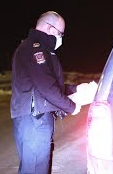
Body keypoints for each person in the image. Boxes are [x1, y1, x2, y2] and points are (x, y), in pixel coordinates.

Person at [10, 11, 82, 174]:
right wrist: (71, 107)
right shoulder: (35, 49)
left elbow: (47, 83)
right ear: (49, 28)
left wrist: (76, 89)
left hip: (34, 116)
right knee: (35, 169)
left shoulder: (34, 48)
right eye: (60, 33)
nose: (61, 38)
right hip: (36, 118)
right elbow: (46, 86)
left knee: (34, 167)